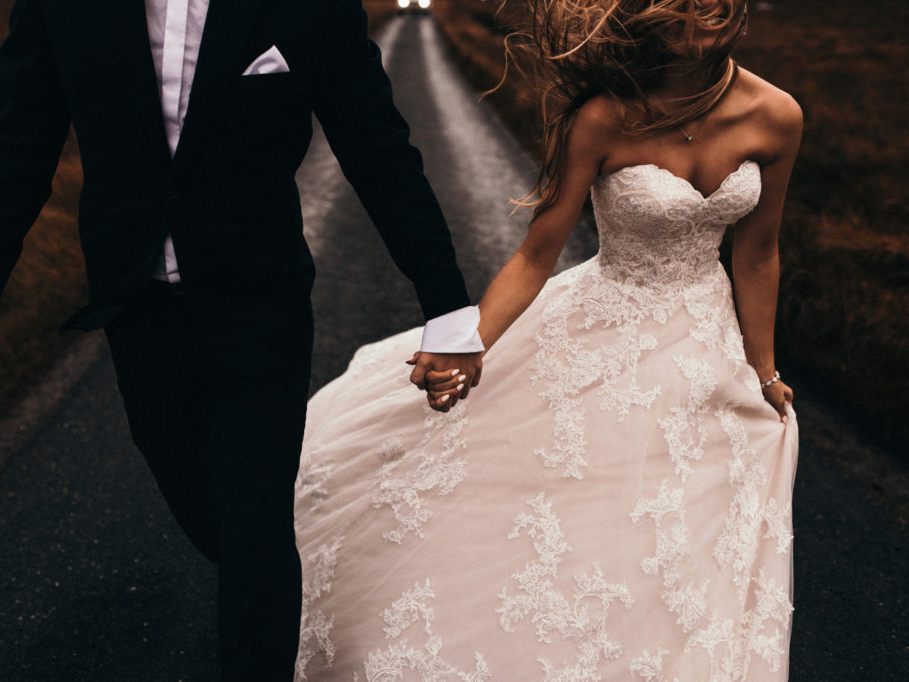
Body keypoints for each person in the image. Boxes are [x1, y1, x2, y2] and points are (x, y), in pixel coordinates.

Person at [0, 0, 485, 678]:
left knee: (255, 523)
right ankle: (270, 575)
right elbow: (20, 139)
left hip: (261, 302)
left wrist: (447, 308)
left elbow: (378, 150)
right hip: (135, 302)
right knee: (200, 498)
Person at [293, 0, 800, 678]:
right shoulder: (604, 117)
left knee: (686, 527)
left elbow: (758, 254)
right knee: (579, 512)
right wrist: (469, 342)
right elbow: (537, 254)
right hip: (605, 325)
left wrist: (763, 371)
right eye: (683, 4)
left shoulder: (777, 115)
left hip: (705, 344)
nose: (706, 12)